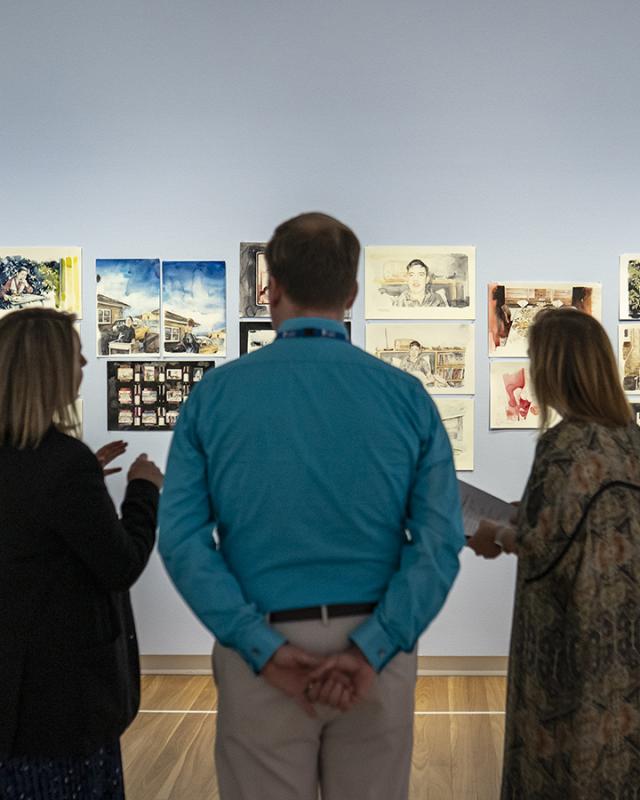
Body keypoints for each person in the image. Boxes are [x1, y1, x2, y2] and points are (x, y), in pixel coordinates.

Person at [159, 212, 465, 800]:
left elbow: (182, 540)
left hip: (262, 651)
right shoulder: (406, 398)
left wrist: (261, 649)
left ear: (271, 287)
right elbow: (438, 543)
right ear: (351, 292)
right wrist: (375, 647)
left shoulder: (215, 397)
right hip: (376, 648)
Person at [467, 308, 640, 799]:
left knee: (557, 750)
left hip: (566, 631)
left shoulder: (564, 444)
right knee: (618, 744)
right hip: (625, 628)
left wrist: (494, 533)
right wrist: (533, 509)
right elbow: (590, 519)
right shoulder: (631, 440)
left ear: (554, 367)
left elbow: (544, 548)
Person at [0, 308, 163, 800]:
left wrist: (85, 477)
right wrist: (143, 491)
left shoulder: (47, 464)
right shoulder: (63, 464)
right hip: (62, 700)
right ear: (48, 369)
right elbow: (121, 564)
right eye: (75, 355)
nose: (87, 362)